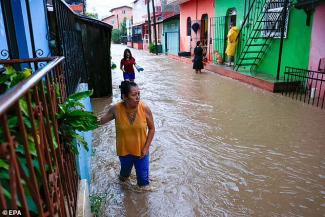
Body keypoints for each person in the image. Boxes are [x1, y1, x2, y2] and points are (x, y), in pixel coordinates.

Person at [97, 81, 155, 187]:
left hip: (141, 152)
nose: (138, 97)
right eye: (134, 95)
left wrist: (146, 148)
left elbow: (152, 129)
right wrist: (83, 119)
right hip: (124, 152)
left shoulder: (144, 108)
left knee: (143, 183)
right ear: (124, 97)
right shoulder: (116, 109)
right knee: (123, 178)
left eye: (139, 94)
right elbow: (100, 121)